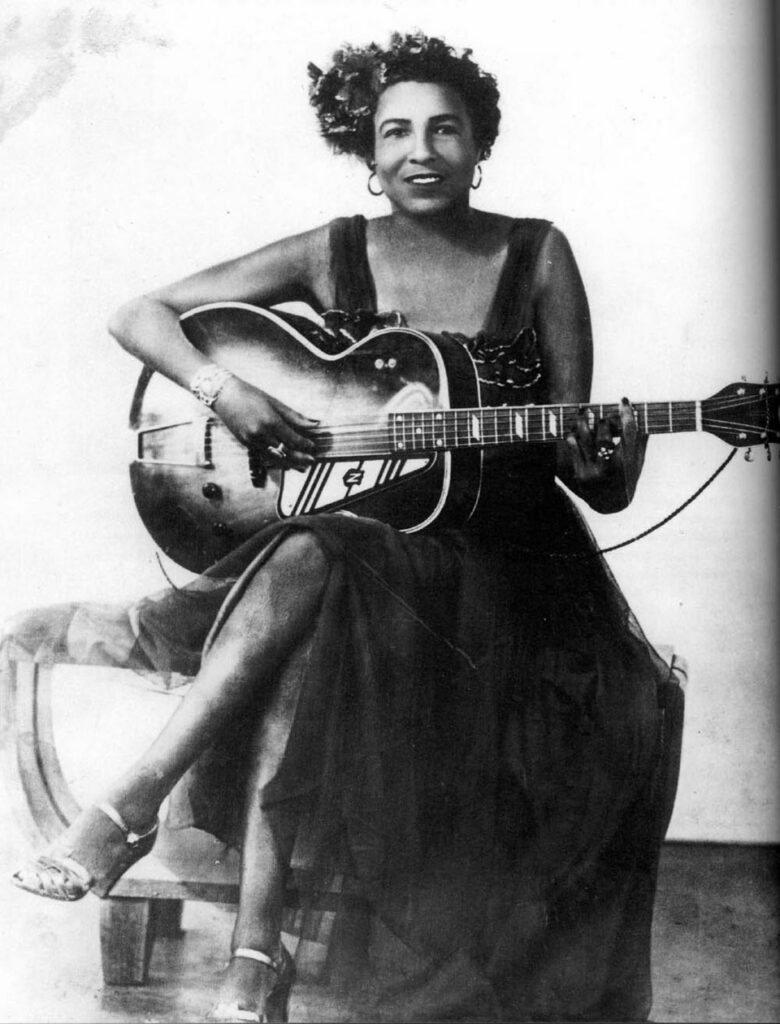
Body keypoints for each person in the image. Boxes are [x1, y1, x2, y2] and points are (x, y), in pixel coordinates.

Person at [8, 32, 676, 1023]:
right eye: (395, 131)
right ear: (366, 148)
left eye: (445, 129)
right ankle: (244, 946)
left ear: (479, 143)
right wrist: (225, 389)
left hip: (503, 575)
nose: (421, 150)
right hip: (358, 551)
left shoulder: (538, 253)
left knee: (320, 567)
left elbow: (590, 477)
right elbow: (137, 315)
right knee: (327, 563)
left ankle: (151, 836)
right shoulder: (335, 250)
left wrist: (619, 447)